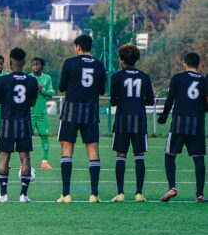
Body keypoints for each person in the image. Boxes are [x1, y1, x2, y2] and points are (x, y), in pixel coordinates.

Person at [56, 34, 107, 203]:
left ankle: (66, 194)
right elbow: (102, 91)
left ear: (77, 47)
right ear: (90, 47)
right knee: (92, 149)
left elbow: (62, 87)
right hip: (90, 111)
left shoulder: (70, 63)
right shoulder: (99, 65)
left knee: (67, 149)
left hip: (71, 109)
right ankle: (94, 194)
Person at [0, 48, 39, 203]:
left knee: (4, 157)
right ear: (24, 62)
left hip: (7, 123)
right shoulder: (32, 81)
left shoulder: (3, 80)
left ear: (10, 61)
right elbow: (32, 103)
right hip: (24, 123)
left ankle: (3, 195)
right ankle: (23, 195)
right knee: (25, 157)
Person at [158, 52, 206, 203]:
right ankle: (199, 194)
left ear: (184, 63)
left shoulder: (178, 78)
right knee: (199, 158)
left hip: (179, 123)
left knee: (170, 155)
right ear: (199, 65)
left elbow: (170, 99)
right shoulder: (204, 80)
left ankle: (172, 187)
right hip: (197, 124)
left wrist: (163, 116)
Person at [109, 44, 155, 202]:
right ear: (136, 60)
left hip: (122, 119)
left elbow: (113, 101)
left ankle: (120, 193)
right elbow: (150, 101)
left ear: (121, 60)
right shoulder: (144, 76)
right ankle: (139, 193)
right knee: (139, 155)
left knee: (121, 155)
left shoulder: (116, 77)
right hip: (139, 119)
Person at [30, 57, 54, 170]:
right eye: (33, 64)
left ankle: (44, 162)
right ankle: (25, 161)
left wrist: (41, 89)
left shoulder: (47, 78)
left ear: (42, 66)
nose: (35, 66)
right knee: (27, 137)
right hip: (29, 113)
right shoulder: (28, 78)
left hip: (42, 114)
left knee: (44, 136)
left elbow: (50, 94)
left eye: (37, 64)